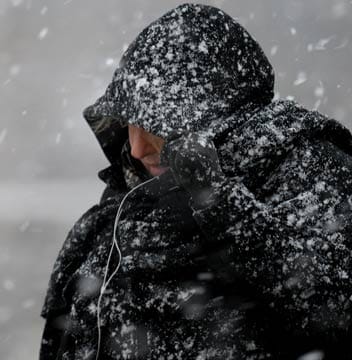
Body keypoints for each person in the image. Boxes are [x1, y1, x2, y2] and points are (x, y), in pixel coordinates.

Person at [39, 3, 352, 359]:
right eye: (130, 122)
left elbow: (336, 307)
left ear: (219, 118)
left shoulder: (309, 172)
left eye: (155, 125)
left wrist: (221, 206)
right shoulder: (107, 221)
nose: (138, 148)